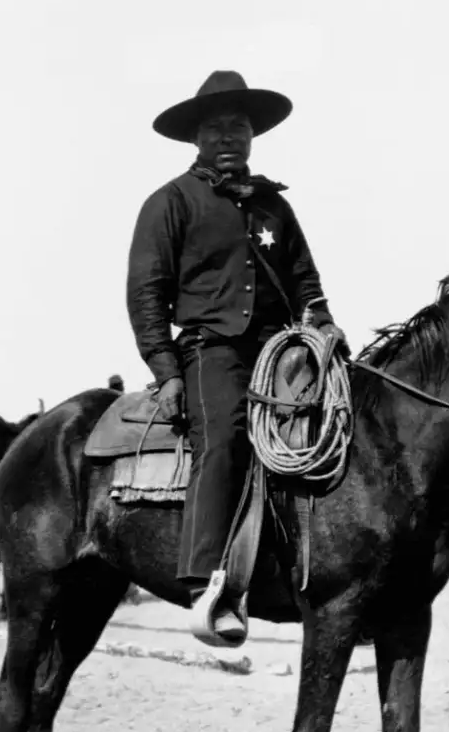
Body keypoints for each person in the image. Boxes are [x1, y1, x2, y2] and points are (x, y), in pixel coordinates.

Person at [126, 70, 349, 644]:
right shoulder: (170, 202)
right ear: (197, 138)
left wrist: (322, 322)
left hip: (279, 348)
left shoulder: (275, 205)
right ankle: (208, 585)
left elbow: (305, 280)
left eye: (241, 128)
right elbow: (146, 294)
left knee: (336, 427)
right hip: (211, 349)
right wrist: (166, 372)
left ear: (253, 138)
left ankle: (335, 574)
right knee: (222, 438)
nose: (230, 137)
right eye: (218, 127)